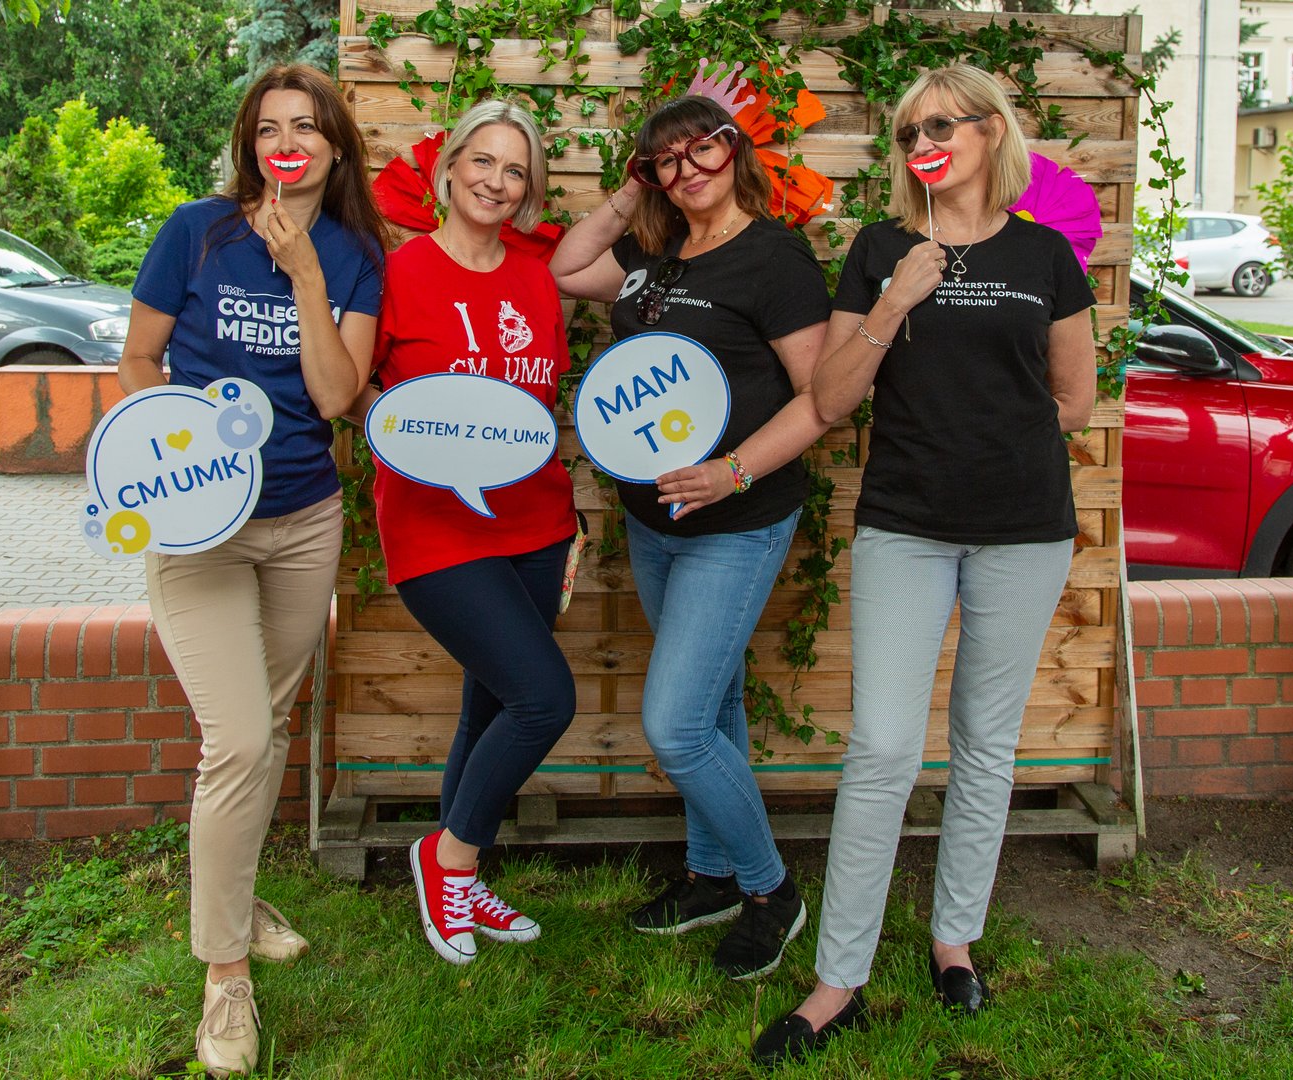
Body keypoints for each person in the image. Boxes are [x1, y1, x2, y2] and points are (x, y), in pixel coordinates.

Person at [752, 63, 1098, 1064]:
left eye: (940, 126)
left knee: (987, 744)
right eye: (908, 133)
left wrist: (994, 441)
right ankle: (838, 981)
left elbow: (1075, 399)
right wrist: (895, 301)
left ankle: (955, 942)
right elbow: (833, 397)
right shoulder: (879, 250)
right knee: (884, 750)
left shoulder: (1044, 255)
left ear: (991, 133)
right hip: (905, 524)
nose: (921, 145)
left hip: (1023, 528)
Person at [117, 65, 386, 1077]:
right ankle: (224, 974)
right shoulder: (197, 232)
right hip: (200, 528)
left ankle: (235, 896)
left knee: (267, 726)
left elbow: (335, 396)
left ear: (333, 147)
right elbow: (138, 362)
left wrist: (307, 275)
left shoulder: (354, 256)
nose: (287, 145)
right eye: (269, 129)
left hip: (303, 523)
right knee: (235, 739)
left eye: (306, 128)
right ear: (250, 143)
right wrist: (163, 456)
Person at [550, 94, 831, 979]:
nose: (686, 170)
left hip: (736, 520)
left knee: (675, 726)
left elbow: (821, 398)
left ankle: (771, 890)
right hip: (652, 520)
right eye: (665, 159)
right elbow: (567, 268)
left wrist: (731, 472)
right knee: (714, 706)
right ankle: (711, 877)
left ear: (734, 150)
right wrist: (634, 193)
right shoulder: (653, 251)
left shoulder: (775, 257)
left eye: (700, 149)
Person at [370, 100, 578, 968]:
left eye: (515, 170)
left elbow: (541, 405)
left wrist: (572, 526)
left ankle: (462, 878)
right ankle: (446, 857)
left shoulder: (536, 277)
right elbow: (352, 389)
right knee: (545, 699)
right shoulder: (397, 273)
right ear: (449, 168)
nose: (497, 181)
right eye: (482, 161)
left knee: (489, 704)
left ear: (529, 190)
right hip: (434, 525)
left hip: (537, 522)